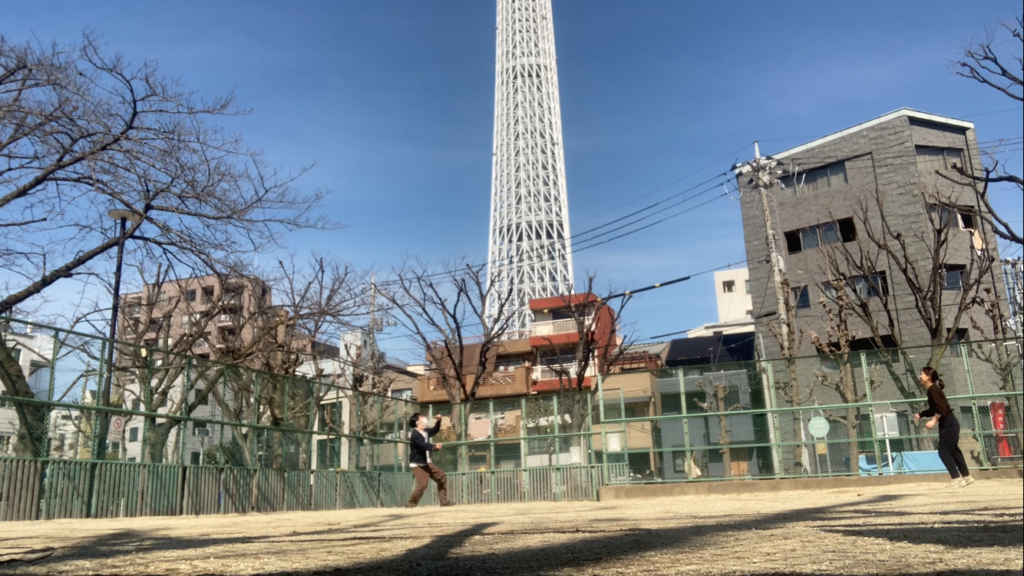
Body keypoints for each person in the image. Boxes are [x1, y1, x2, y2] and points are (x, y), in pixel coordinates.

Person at [915, 366, 974, 488]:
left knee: (944, 452)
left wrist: (933, 421)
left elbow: (941, 409)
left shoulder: (933, 390)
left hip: (949, 424)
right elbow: (935, 408)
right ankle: (967, 477)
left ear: (929, 377)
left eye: (922, 374)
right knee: (953, 451)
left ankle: (956, 478)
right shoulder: (932, 389)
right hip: (950, 423)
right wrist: (921, 414)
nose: (920, 376)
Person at [406, 412, 455, 508]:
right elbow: (422, 445)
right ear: (417, 422)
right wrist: (433, 446)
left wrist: (439, 420)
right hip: (418, 464)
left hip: (426, 463)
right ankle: (411, 503)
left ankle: (443, 501)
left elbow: (435, 430)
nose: (425, 418)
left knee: (442, 477)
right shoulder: (414, 435)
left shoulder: (426, 432)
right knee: (422, 485)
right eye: (422, 417)